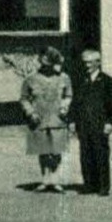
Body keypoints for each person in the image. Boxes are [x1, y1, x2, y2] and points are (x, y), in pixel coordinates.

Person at [20, 47, 72, 192]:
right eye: (44, 63)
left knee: (56, 150)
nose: (46, 67)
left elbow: (68, 96)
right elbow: (24, 99)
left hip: (57, 119)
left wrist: (64, 108)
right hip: (39, 119)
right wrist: (31, 113)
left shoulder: (64, 78)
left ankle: (55, 180)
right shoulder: (30, 79)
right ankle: (45, 179)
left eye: (50, 64)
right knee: (43, 150)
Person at [71, 50, 112, 197]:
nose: (87, 66)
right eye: (84, 62)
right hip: (84, 125)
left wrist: (110, 122)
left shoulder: (107, 81)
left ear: (98, 62)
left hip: (100, 124)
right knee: (85, 155)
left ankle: (103, 186)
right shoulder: (80, 80)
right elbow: (75, 103)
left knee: (101, 155)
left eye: (90, 62)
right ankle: (89, 185)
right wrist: (72, 121)